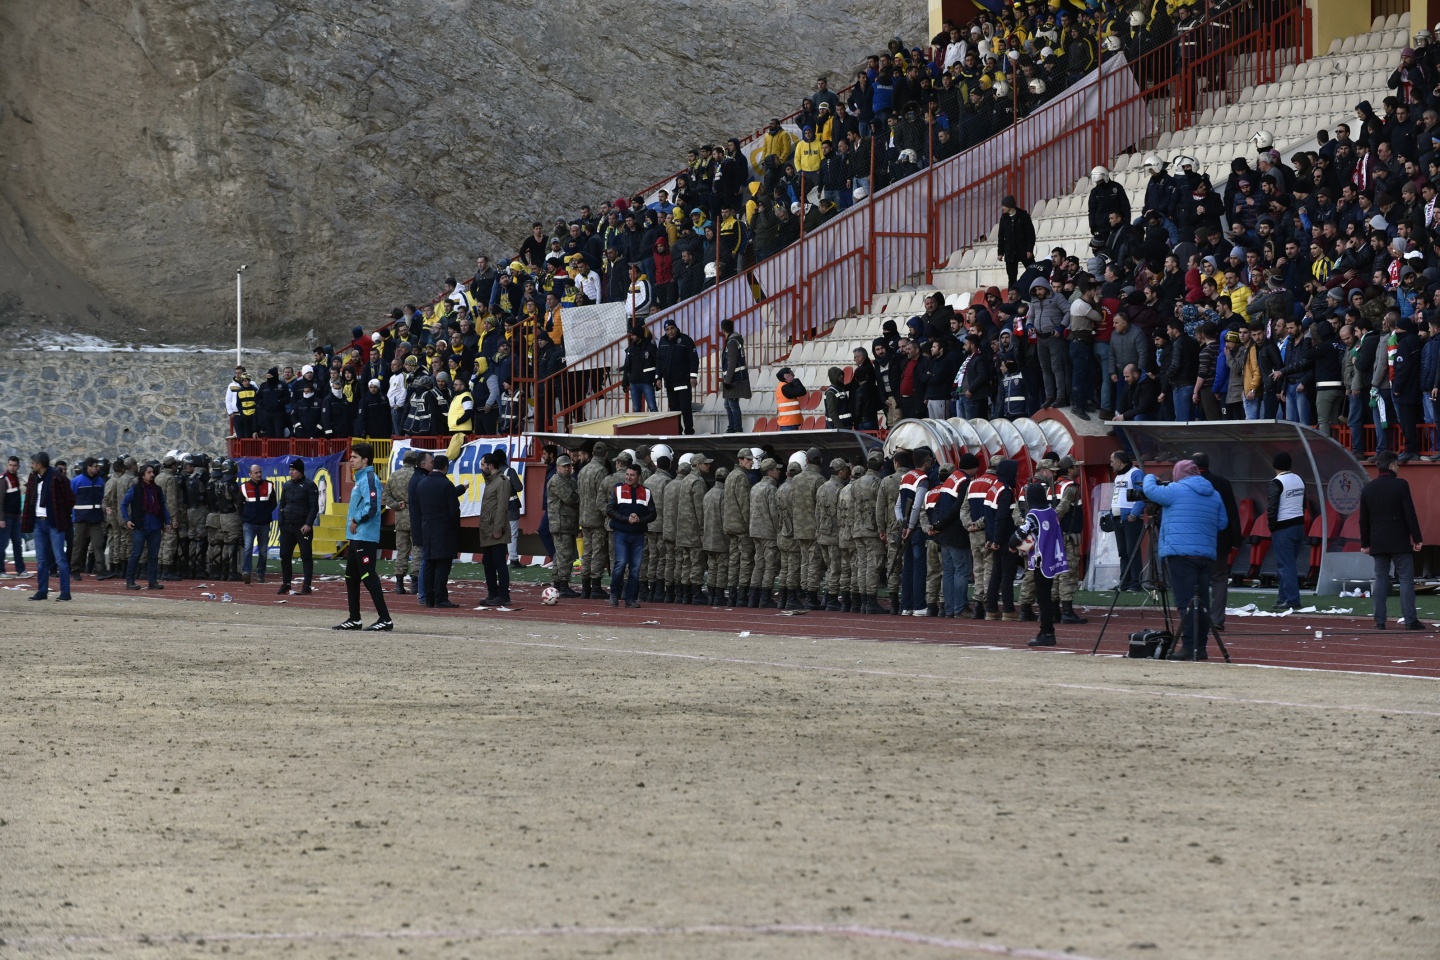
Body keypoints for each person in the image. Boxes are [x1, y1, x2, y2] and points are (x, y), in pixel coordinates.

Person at [1140, 459, 1227, 661]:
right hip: (1206, 554)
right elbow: (1222, 523)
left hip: (1180, 553)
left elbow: (1150, 491)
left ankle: (1188, 647)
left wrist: (1150, 476)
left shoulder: (1175, 490)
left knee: (1185, 603)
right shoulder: (1214, 494)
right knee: (1202, 603)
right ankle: (1200, 647)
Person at [1359, 451, 1424, 630]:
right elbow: (1410, 514)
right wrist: (1417, 538)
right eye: (1397, 465)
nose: (1398, 468)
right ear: (1391, 466)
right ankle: (1410, 620)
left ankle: (1380, 621)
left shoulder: (1368, 488)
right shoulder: (1401, 485)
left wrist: (1365, 543)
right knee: (1405, 579)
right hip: (1399, 540)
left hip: (1378, 540)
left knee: (1380, 579)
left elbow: (1363, 519)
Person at [334, 442, 393, 631]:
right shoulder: (361, 479)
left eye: (355, 457)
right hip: (356, 537)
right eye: (351, 457)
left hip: (365, 537)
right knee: (351, 576)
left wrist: (356, 519)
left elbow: (373, 506)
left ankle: (385, 619)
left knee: (368, 576)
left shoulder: (369, 478)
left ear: (365, 460)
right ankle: (354, 618)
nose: (351, 460)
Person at [1011, 482, 1068, 647]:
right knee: (1046, 595)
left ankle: (1047, 632)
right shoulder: (1051, 511)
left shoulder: (1033, 514)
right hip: (1052, 556)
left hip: (1040, 559)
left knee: (1043, 598)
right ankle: (1047, 631)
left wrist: (1012, 544)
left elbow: (1022, 532)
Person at [1191, 452, 1240, 631]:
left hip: (1195, 539)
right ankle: (1217, 619)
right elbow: (1232, 512)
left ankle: (1197, 618)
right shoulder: (1222, 483)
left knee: (1195, 578)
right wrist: (1236, 538)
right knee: (1219, 578)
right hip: (1220, 538)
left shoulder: (1184, 486)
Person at [23, 452, 74, 601]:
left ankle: (65, 592)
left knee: (60, 558)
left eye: (33, 463)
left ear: (39, 464)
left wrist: (61, 515)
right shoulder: (34, 478)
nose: (31, 466)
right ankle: (42, 591)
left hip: (54, 523)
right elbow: (29, 501)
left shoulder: (57, 478)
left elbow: (70, 499)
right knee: (41, 560)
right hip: (39, 523)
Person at [416, 454, 462, 608]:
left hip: (427, 528)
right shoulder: (446, 484)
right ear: (446, 467)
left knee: (429, 564)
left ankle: (429, 598)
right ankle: (440, 597)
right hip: (444, 530)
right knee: (442, 565)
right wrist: (455, 527)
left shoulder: (422, 484)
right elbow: (454, 510)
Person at [608, 462, 656, 608]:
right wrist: (626, 519)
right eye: (627, 474)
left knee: (635, 568)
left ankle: (630, 598)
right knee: (621, 563)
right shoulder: (618, 489)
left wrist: (639, 520)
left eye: (632, 475)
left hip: (638, 535)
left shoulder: (646, 492)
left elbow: (653, 514)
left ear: (638, 476)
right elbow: (610, 510)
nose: (628, 477)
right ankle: (614, 594)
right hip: (621, 533)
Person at [121, 462, 170, 591]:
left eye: (153, 472)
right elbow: (123, 504)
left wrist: (167, 522)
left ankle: (152, 581)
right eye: (149, 472)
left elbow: (163, 506)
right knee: (136, 554)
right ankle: (130, 581)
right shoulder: (135, 489)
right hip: (140, 527)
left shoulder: (157, 490)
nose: (152, 475)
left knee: (153, 556)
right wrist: (127, 520)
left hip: (155, 527)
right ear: (142, 475)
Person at [1267, 451, 1306, 612]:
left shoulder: (1276, 482)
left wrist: (1272, 526)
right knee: (1289, 563)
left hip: (1283, 527)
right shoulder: (1299, 479)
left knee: (1285, 565)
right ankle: (1282, 597)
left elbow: (1272, 507)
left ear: (1275, 466)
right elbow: (1304, 503)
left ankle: (1291, 599)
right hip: (1299, 524)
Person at [276, 458, 319, 595]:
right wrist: (281, 522)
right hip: (287, 526)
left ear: (300, 471)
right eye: (290, 469)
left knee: (306, 556)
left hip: (302, 526)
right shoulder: (287, 485)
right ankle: (286, 583)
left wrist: (308, 524)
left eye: (293, 470)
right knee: (284, 555)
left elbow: (314, 507)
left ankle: (307, 585)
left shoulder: (310, 485)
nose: (291, 472)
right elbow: (282, 504)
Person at [477, 451, 513, 608]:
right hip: (487, 530)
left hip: (496, 531)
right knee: (488, 563)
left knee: (499, 563)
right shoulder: (490, 481)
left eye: (483, 465)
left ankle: (503, 595)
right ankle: (492, 593)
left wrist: (498, 529)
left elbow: (502, 507)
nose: (481, 468)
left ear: (490, 466)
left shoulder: (502, 481)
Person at [546, 455, 581, 599]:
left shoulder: (570, 480)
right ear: (558, 468)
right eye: (564, 466)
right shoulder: (556, 481)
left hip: (568, 523)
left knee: (561, 555)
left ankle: (558, 583)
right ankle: (563, 584)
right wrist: (579, 495)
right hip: (560, 524)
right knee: (565, 555)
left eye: (569, 466)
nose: (567, 469)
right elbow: (571, 498)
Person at [656, 318, 699, 435]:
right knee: (674, 410)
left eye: (672, 328)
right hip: (670, 382)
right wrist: (658, 377)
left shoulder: (686, 340)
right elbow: (659, 361)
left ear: (676, 328)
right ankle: (677, 432)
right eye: (667, 329)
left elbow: (694, 359)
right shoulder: (662, 341)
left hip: (683, 381)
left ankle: (689, 431)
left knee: (685, 408)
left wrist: (693, 376)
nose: (670, 331)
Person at [384, 451, 417, 594]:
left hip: (401, 518)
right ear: (415, 461)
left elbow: (386, 496)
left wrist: (396, 505)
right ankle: (415, 583)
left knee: (402, 551)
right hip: (416, 517)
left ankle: (399, 583)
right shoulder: (418, 475)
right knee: (417, 550)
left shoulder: (394, 475)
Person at [238, 462, 277, 585]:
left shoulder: (269, 485)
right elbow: (239, 505)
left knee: (263, 551)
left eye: (260, 472)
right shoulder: (244, 487)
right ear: (250, 474)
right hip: (249, 523)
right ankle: (246, 572)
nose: (259, 474)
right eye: (256, 473)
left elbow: (273, 503)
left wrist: (265, 513)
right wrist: (245, 518)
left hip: (264, 523)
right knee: (248, 548)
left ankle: (261, 574)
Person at [70, 457, 108, 579]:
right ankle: (75, 570)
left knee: (98, 544)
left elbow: (102, 498)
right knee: (78, 545)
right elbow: (70, 498)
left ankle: (100, 570)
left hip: (96, 518)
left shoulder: (100, 481)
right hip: (81, 518)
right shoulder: (77, 481)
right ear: (88, 467)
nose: (97, 468)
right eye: (95, 466)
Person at [720, 319, 751, 433]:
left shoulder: (732, 342)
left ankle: (736, 428)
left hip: (734, 379)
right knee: (728, 404)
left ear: (723, 330)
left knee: (732, 404)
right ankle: (732, 427)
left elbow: (731, 363)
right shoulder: (734, 340)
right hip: (735, 377)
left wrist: (727, 381)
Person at [2, 455, 25, 575]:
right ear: (7, 465)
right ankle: (1, 570)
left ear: (18, 466)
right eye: (10, 465)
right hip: (6, 517)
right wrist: (1, 518)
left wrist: (19, 514)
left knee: (17, 543)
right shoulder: (3, 479)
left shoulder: (15, 478)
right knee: (2, 544)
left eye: (15, 465)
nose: (12, 467)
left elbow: (16, 499)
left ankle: (20, 570)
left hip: (15, 517)